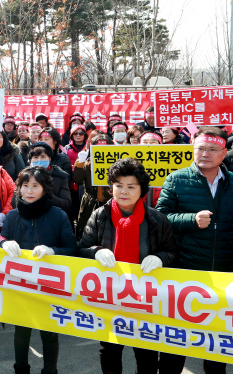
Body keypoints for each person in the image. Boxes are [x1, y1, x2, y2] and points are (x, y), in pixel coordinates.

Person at [156, 127, 233, 374]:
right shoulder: (177, 179)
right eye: (200, 148)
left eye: (212, 149)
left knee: (217, 343)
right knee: (176, 342)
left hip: (224, 274)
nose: (205, 154)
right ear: (192, 149)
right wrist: (190, 219)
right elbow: (161, 217)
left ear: (224, 153)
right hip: (185, 271)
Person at [79, 158, 177, 374]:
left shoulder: (156, 220)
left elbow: (172, 252)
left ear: (141, 189)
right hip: (109, 296)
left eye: (131, 186)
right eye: (119, 185)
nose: (124, 191)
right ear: (111, 187)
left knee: (147, 352)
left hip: (146, 298)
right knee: (110, 349)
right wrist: (96, 251)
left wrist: (161, 258)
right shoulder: (100, 215)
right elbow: (81, 249)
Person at [0, 166, 77, 374]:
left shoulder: (58, 215)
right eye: (25, 186)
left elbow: (72, 249)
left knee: (49, 333)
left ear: (45, 189)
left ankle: (50, 370)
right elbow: (0, 241)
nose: (29, 191)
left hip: (48, 286)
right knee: (21, 332)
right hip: (19, 285)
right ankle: (21, 369)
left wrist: (53, 250)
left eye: (35, 186)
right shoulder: (13, 216)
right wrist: (3, 244)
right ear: (19, 188)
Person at [73, 133, 113, 238]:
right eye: (97, 147)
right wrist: (80, 163)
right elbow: (77, 179)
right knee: (86, 228)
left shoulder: (115, 163)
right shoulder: (87, 162)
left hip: (109, 200)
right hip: (90, 201)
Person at [24, 142, 72, 215]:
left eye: (43, 157)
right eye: (35, 157)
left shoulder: (60, 177)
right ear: (30, 160)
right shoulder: (24, 176)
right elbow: (15, 202)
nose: (39, 160)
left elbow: (66, 204)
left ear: (49, 159)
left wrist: (47, 195)